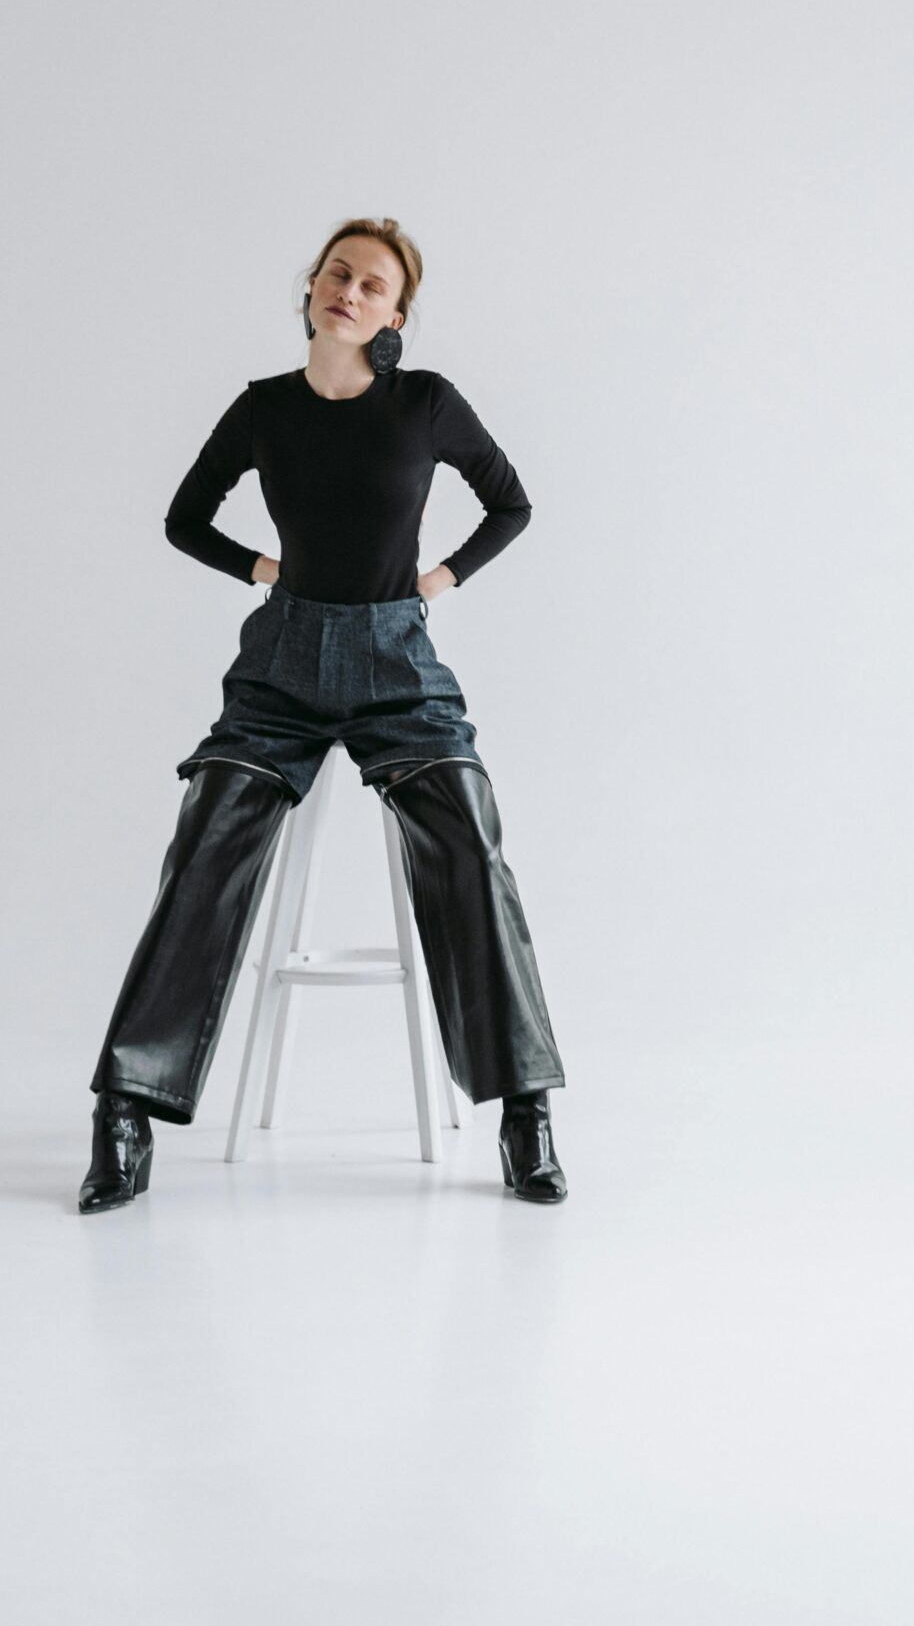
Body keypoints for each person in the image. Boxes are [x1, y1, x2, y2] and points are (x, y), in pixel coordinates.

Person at [79, 216, 568, 1211]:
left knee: (471, 839)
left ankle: (526, 1111)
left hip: (399, 664)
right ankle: (125, 1106)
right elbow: (184, 518)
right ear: (312, 288)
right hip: (282, 669)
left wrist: (440, 580)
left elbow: (510, 503)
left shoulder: (424, 404)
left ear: (395, 314)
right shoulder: (263, 409)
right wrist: (263, 568)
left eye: (374, 285)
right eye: (339, 274)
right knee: (206, 838)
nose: (351, 291)